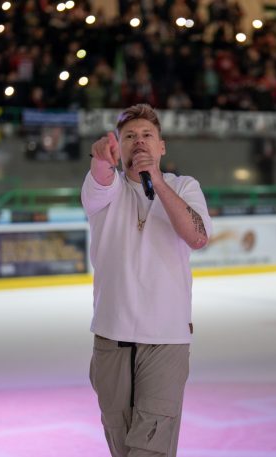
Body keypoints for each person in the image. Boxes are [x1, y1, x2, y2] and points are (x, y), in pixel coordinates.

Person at [81, 104, 212, 457]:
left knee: (149, 450)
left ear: (162, 146)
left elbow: (197, 237)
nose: (139, 142)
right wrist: (99, 159)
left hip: (166, 340)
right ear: (118, 147)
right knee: (122, 447)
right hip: (111, 339)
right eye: (129, 137)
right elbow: (100, 180)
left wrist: (156, 180)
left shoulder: (184, 187)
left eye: (147, 136)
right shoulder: (104, 189)